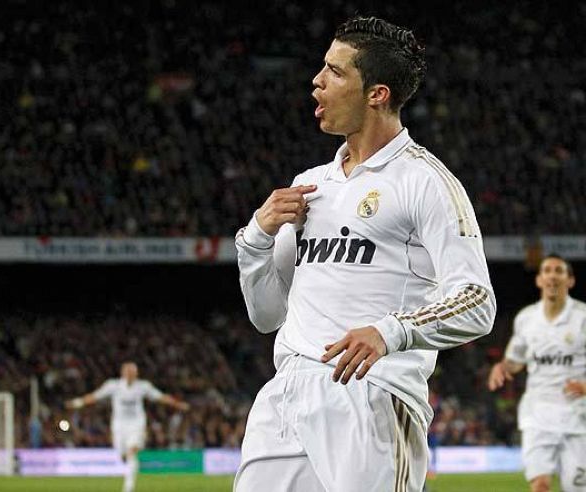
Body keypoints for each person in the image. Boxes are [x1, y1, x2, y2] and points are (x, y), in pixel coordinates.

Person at [234, 16, 496, 491]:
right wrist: (255, 238)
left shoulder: (425, 181)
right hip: (287, 393)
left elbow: (477, 301)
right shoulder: (308, 186)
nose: (317, 80)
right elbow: (267, 315)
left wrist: (391, 331)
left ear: (376, 94)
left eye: (335, 72)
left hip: (371, 395)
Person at [488, 254, 586, 492]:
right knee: (540, 486)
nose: (552, 275)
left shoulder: (583, 317)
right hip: (537, 416)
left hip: (578, 419)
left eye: (558, 271)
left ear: (570, 280)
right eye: (547, 271)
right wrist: (502, 367)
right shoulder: (526, 319)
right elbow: (515, 360)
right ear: (539, 280)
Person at [65, 362, 189, 492]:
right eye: (127, 372)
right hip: (119, 425)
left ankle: (128, 487)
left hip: (136, 424)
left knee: (132, 451)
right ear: (122, 373)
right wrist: (77, 402)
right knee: (122, 453)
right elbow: (95, 396)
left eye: (132, 372)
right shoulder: (113, 385)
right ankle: (126, 459)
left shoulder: (143, 386)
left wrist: (178, 404)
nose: (130, 374)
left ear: (136, 373)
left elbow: (161, 397)